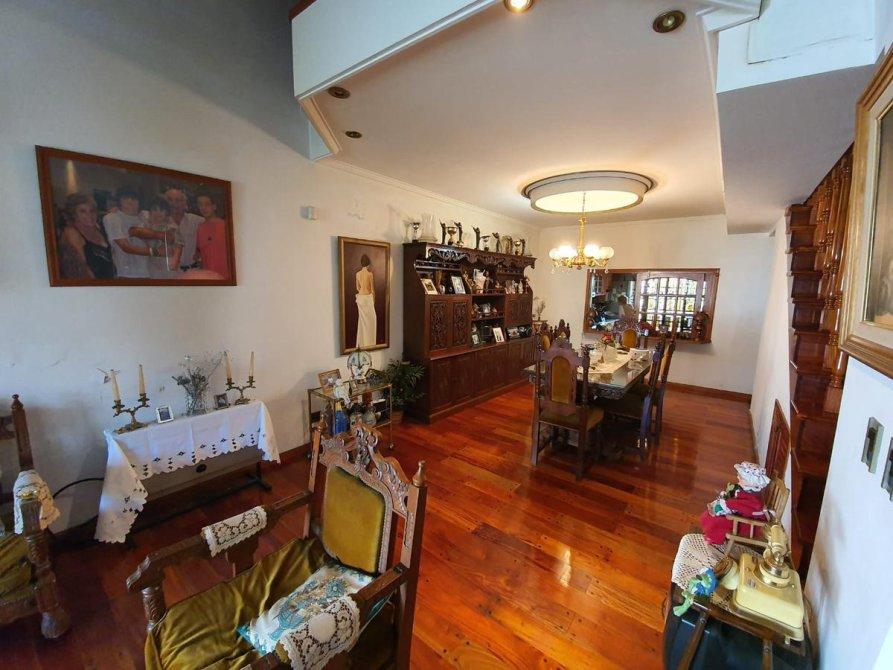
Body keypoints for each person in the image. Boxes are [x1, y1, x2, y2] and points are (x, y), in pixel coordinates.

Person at [57, 193, 115, 279]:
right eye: (82, 211)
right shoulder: (72, 232)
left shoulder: (100, 227)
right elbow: (81, 268)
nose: (89, 215)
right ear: (73, 214)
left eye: (92, 211)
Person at [103, 185, 150, 278]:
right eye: (125, 198)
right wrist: (156, 251)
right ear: (119, 200)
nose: (130, 201)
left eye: (134, 198)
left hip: (149, 272)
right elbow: (125, 247)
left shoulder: (146, 215)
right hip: (127, 274)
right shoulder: (112, 218)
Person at [129, 198, 182, 279]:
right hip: (152, 266)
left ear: (167, 213)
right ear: (150, 212)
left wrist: (174, 262)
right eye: (154, 210)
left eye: (161, 210)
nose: (158, 213)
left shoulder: (171, 227)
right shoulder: (146, 225)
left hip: (169, 266)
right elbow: (133, 232)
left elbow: (177, 247)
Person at [163, 186, 202, 271]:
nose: (174, 203)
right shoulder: (159, 222)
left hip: (193, 271)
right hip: (168, 273)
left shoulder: (197, 221)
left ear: (185, 203)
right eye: (169, 200)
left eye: (178, 200)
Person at [194, 190, 229, 279]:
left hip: (227, 277)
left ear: (214, 206)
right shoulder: (200, 228)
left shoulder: (225, 226)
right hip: (209, 278)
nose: (203, 208)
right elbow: (199, 254)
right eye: (200, 205)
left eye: (207, 204)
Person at [355, 254, 377, 348]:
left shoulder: (357, 274)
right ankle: (370, 343)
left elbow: (357, 287)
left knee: (362, 322)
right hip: (368, 299)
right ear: (368, 264)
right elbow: (372, 290)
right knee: (371, 322)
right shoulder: (370, 274)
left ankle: (362, 344)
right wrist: (373, 301)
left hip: (360, 299)